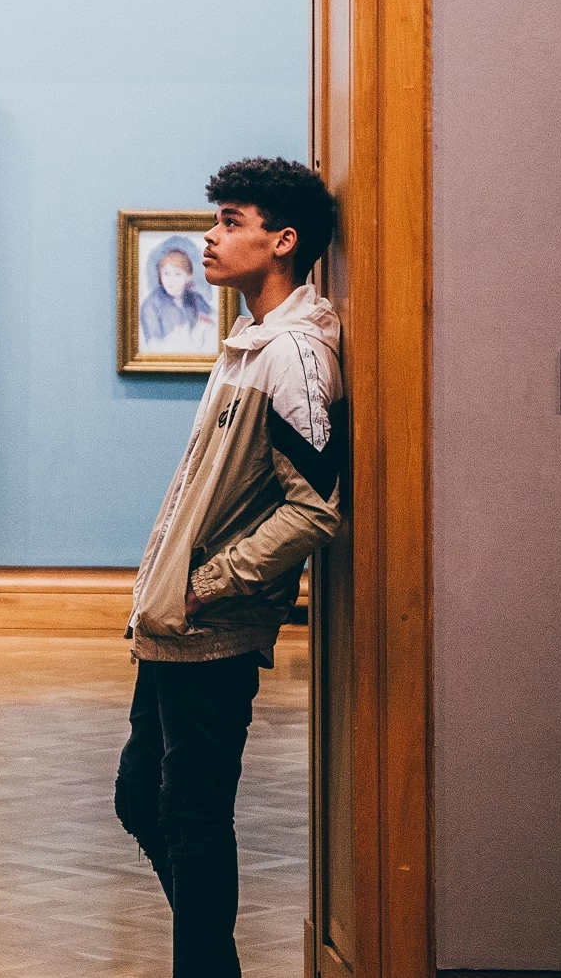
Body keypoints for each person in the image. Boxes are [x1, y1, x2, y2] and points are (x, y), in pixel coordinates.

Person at [115, 157, 344, 978]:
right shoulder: (251, 340)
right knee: (144, 799)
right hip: (177, 623)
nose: (209, 236)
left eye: (230, 221)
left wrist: (205, 587)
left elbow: (315, 506)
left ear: (282, 240)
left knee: (193, 816)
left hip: (212, 626)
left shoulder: (295, 355)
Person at [141, 240, 219, 353]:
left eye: (177, 274)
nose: (171, 280)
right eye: (166, 273)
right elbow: (154, 345)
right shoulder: (151, 304)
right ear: (160, 275)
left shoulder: (196, 299)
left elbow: (215, 321)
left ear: (188, 276)